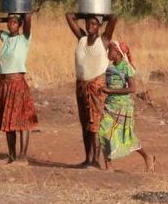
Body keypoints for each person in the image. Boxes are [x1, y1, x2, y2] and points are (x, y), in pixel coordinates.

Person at [0, 12, 37, 164]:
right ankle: (11, 155)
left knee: (22, 121)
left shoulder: (24, 38)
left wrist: (24, 16)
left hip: (17, 83)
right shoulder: (5, 37)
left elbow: (27, 20)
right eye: (9, 22)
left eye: (14, 23)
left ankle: (23, 156)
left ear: (19, 25)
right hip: (4, 83)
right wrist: (4, 18)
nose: (11, 25)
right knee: (8, 121)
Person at [64, 11, 118, 168]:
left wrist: (99, 13)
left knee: (95, 124)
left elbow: (114, 17)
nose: (90, 26)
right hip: (81, 86)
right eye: (88, 23)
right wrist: (86, 12)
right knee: (85, 123)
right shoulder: (81, 38)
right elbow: (69, 16)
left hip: (96, 86)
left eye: (94, 24)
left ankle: (95, 160)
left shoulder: (104, 40)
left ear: (100, 26)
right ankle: (87, 159)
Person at [98, 41, 154, 171]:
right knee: (103, 131)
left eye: (110, 50)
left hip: (123, 107)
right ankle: (109, 166)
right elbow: (108, 85)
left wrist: (110, 91)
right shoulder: (110, 68)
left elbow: (132, 89)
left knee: (126, 136)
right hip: (110, 105)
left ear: (117, 52)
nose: (107, 53)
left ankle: (147, 157)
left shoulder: (126, 68)